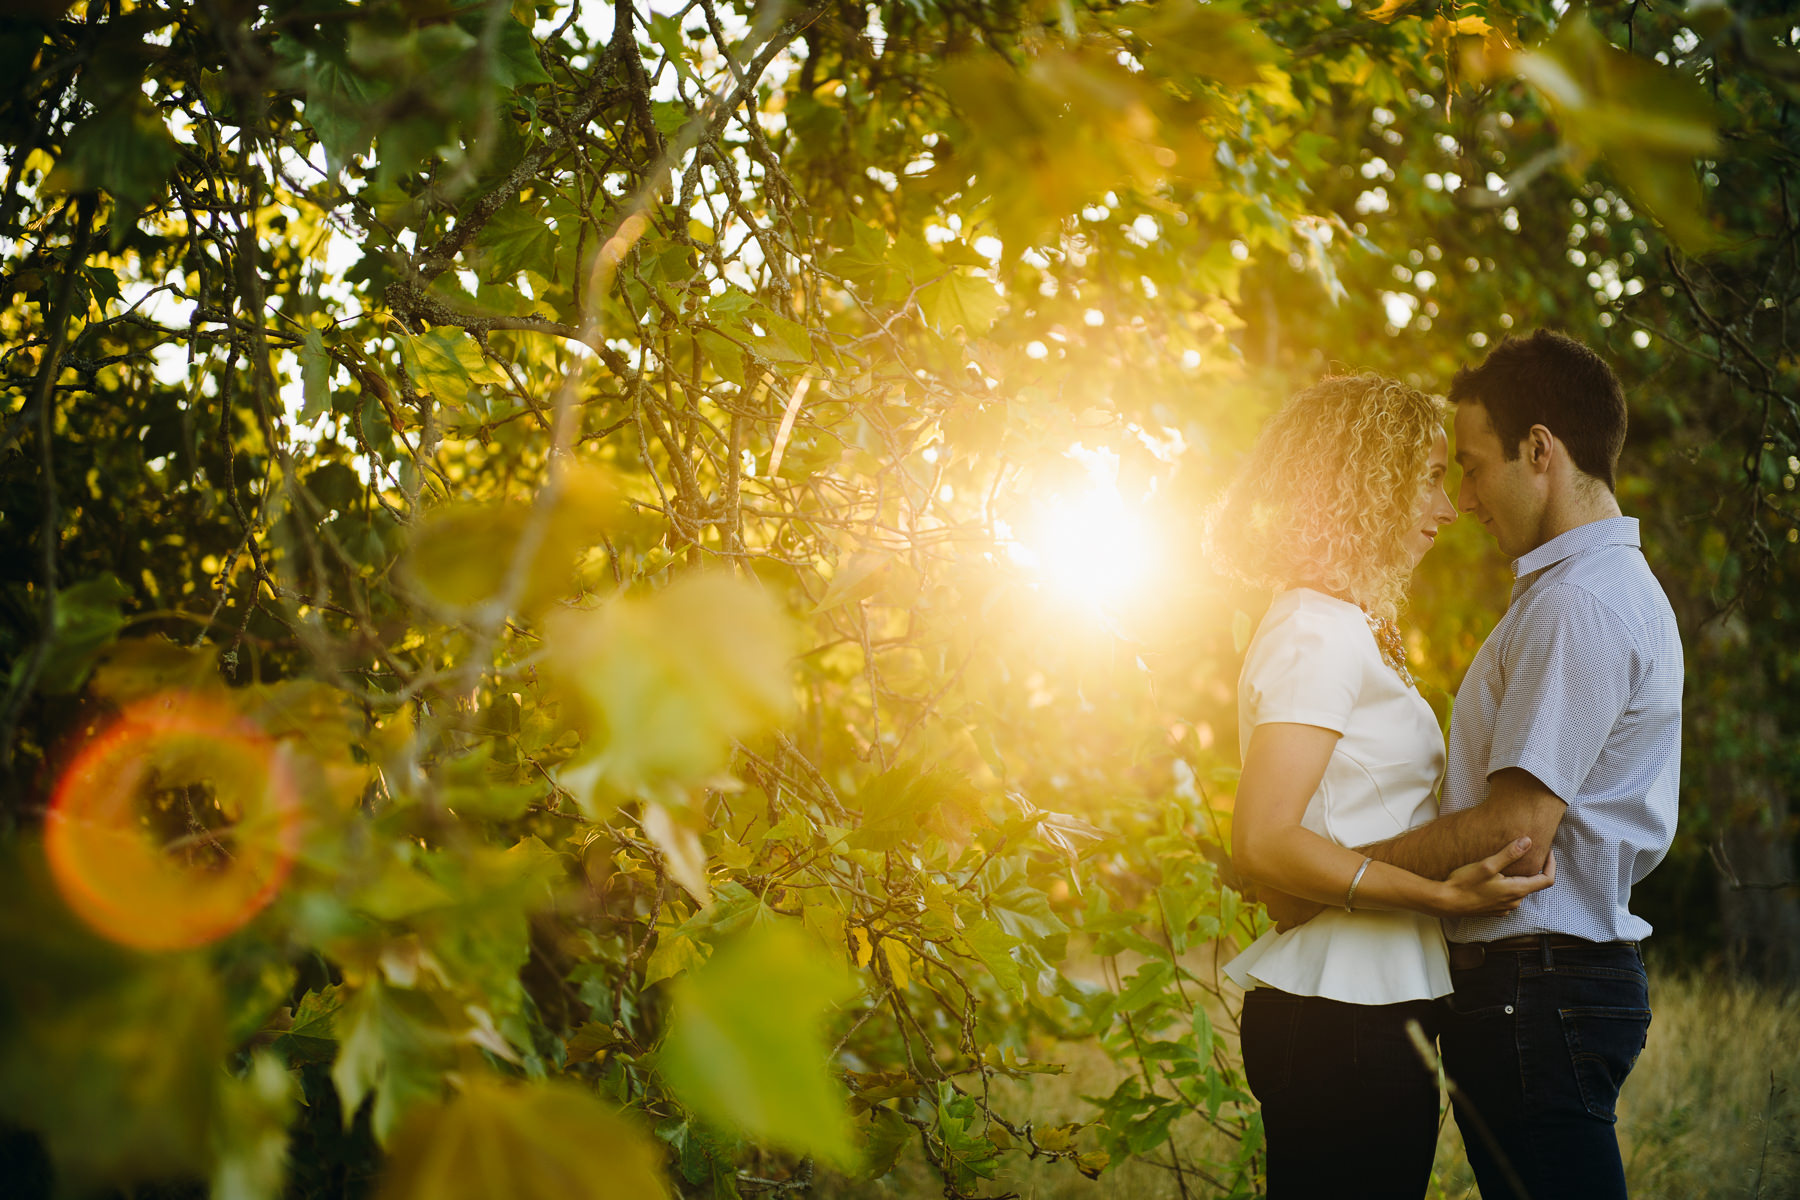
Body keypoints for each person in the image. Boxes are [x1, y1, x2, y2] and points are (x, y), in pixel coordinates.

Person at [1265, 331, 1683, 1200]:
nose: (1463, 498)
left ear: (1541, 450)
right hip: (1537, 986)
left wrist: (1323, 880)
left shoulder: (1581, 603)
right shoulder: (1579, 593)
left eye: (1472, 465)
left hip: (1543, 983)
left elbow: (1516, 832)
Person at [1207, 373, 1557, 1200]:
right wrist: (1434, 897)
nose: (1446, 508)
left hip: (1375, 1011)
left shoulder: (1347, 626)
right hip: (1339, 1019)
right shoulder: (1313, 629)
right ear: (1360, 485)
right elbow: (1261, 838)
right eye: (1427, 479)